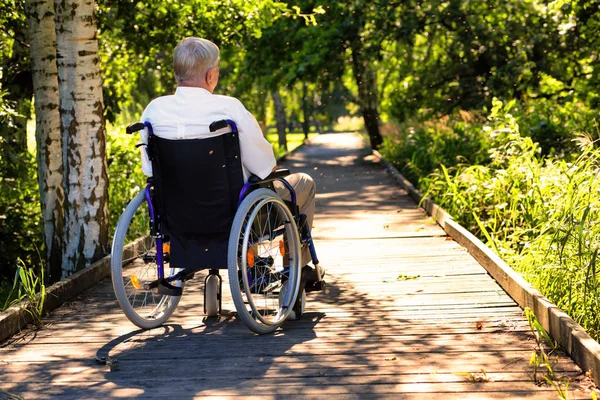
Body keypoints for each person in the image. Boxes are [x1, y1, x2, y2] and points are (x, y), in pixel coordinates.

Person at [138, 37, 323, 289]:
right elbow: (264, 167)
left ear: (177, 72)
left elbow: (150, 170)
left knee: (248, 191)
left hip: (177, 213)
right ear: (211, 75)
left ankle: (252, 263)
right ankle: (297, 268)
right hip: (235, 212)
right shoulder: (228, 108)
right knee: (302, 184)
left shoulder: (154, 111)